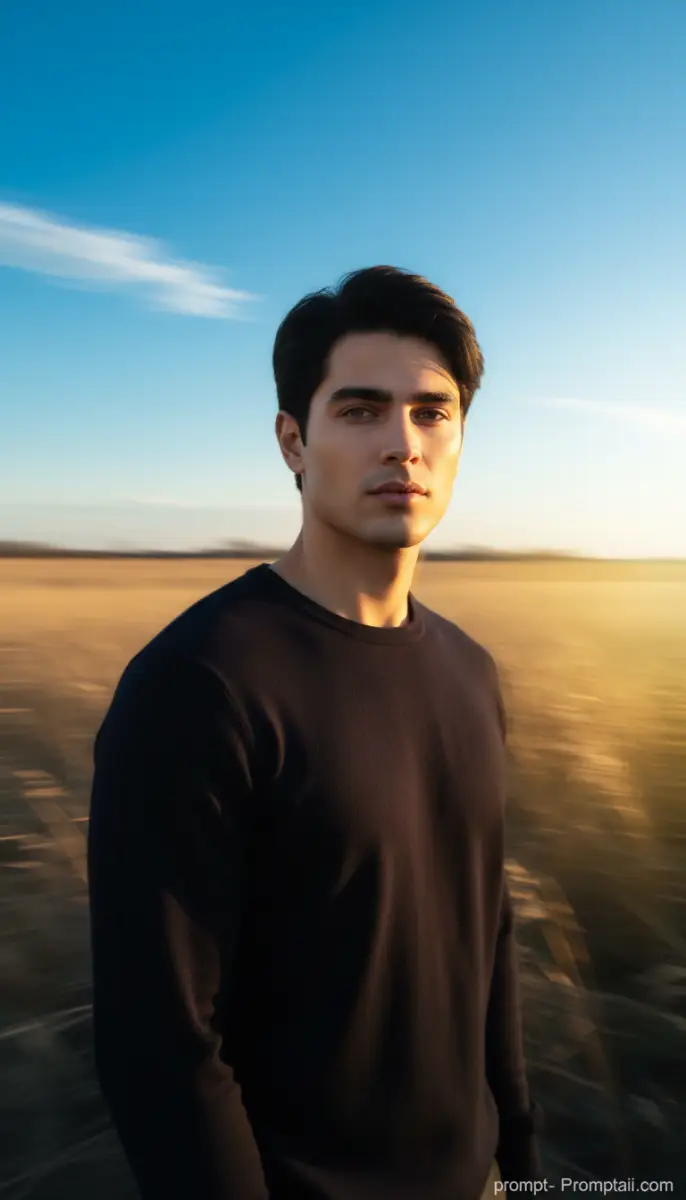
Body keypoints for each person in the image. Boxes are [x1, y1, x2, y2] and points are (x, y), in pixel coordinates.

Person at [87, 265, 543, 1200]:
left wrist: (522, 1166)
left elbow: (484, 942)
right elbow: (163, 1045)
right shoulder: (200, 683)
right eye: (362, 410)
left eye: (432, 413)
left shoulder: (469, 672)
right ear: (293, 441)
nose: (404, 445)